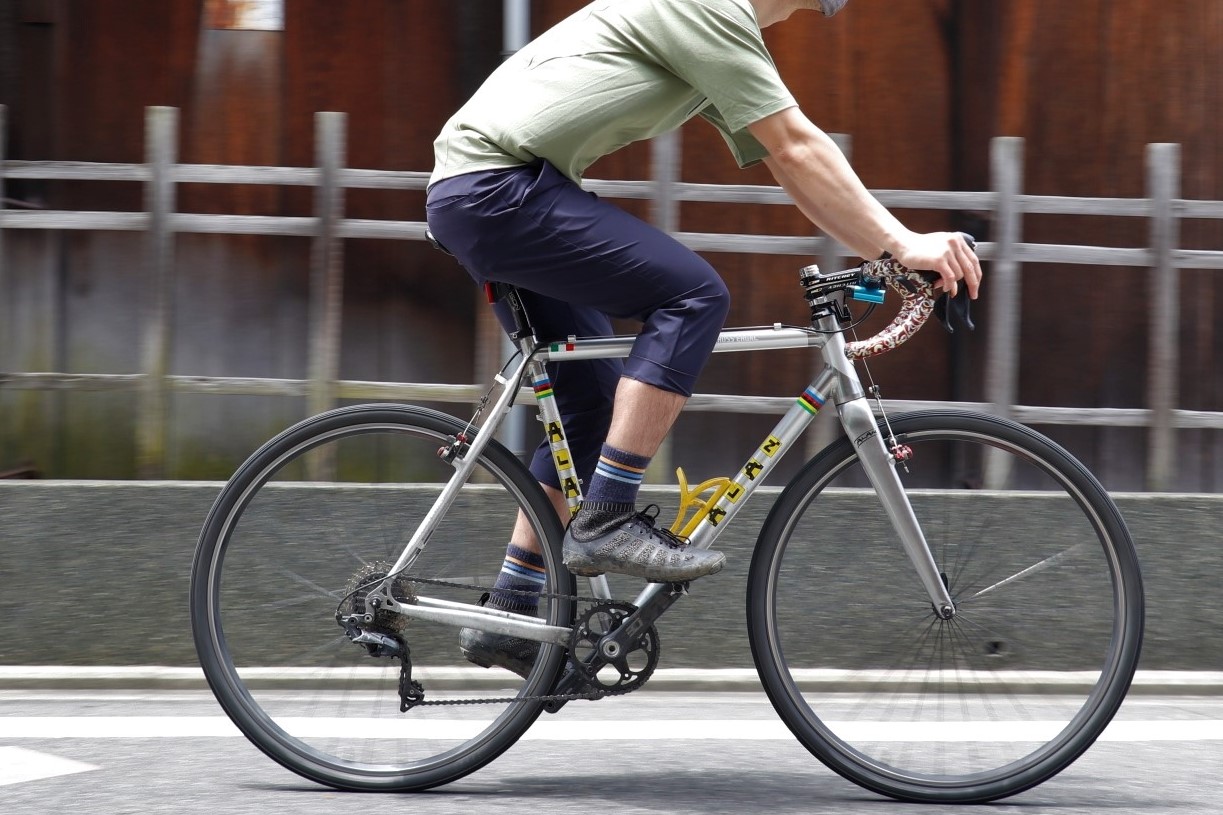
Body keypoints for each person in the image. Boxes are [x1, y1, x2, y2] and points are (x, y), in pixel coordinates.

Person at [425, 0, 983, 677]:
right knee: (693, 295)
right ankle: (605, 518)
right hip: (498, 189)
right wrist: (901, 242)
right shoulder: (704, 6)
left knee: (590, 408)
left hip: (492, 190)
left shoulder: (715, 30)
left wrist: (892, 254)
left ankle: (512, 609)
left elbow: (793, 165)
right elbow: (797, 145)